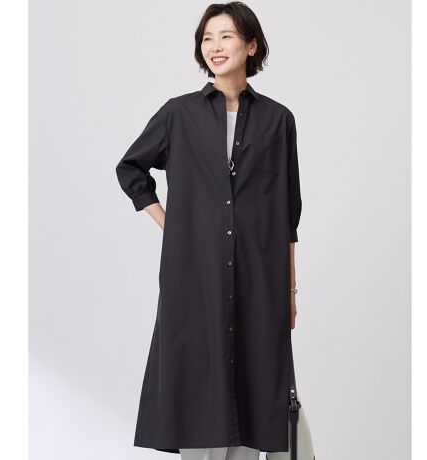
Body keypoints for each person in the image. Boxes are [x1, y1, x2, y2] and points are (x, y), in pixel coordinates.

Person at [115, 2, 302, 460]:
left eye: (226, 36)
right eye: (207, 38)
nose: (215, 47)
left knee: (257, 390)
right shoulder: (179, 114)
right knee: (196, 388)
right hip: (193, 277)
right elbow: (131, 167)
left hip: (260, 280)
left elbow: (288, 213)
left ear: (251, 45)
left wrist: (290, 290)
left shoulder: (278, 120)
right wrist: (169, 222)